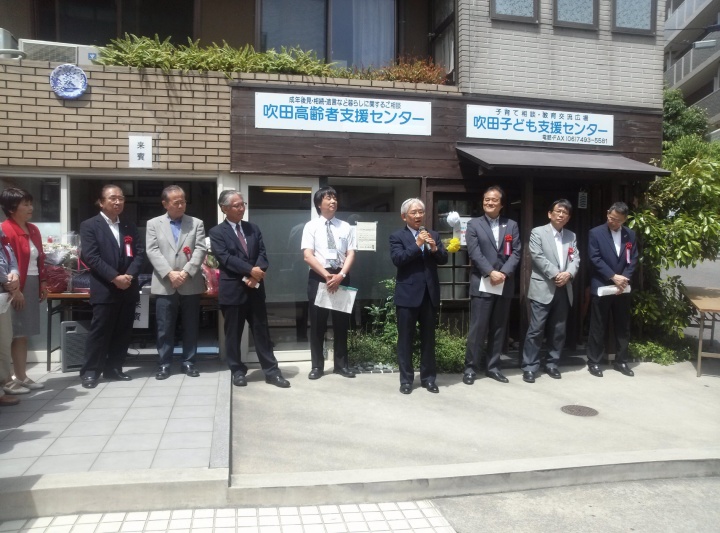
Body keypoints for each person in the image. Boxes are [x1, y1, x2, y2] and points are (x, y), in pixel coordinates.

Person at [208, 190, 290, 388]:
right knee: (233, 334)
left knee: (262, 332)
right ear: (224, 208)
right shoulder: (217, 232)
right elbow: (225, 258)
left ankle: (271, 372)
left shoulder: (253, 228)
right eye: (236, 205)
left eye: (242, 204)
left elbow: (262, 253)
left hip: (255, 289)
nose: (241, 208)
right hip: (233, 290)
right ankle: (237, 371)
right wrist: (250, 271)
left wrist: (256, 274)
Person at [78, 185, 145, 389]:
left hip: (128, 286)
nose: (118, 202)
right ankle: (91, 371)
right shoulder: (90, 225)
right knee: (100, 330)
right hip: (105, 287)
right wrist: (115, 277)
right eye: (113, 198)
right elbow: (91, 256)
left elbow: (139, 253)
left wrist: (129, 275)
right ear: (101, 202)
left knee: (123, 330)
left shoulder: (128, 225)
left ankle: (114, 368)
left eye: (121, 198)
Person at [146, 185, 207, 380]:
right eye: (176, 202)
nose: (181, 205)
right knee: (164, 326)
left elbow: (200, 249)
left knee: (191, 325)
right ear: (165, 204)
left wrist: (186, 272)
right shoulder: (153, 224)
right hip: (165, 282)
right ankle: (164, 363)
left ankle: (189, 362)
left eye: (183, 202)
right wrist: (169, 273)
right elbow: (152, 250)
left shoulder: (196, 223)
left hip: (190, 281)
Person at [389, 198, 448, 395]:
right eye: (413, 212)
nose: (418, 216)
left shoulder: (434, 235)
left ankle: (428, 379)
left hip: (429, 294)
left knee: (428, 339)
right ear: (404, 216)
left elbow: (443, 259)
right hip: (407, 295)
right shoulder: (397, 236)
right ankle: (406, 380)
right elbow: (398, 259)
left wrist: (434, 249)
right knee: (405, 339)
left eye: (420, 212)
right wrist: (418, 244)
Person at [464, 185, 521, 385]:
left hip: (504, 283)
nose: (489, 202)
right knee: (478, 328)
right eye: (486, 199)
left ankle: (493, 367)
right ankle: (471, 368)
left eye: (494, 200)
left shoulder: (511, 225)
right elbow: (474, 252)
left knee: (499, 327)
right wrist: (490, 272)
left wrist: (503, 273)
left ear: (501, 204)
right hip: (483, 282)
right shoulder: (474, 224)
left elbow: (516, 252)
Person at [521, 199, 580, 383]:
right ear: (550, 214)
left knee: (558, 330)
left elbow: (575, 259)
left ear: (568, 218)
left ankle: (552, 364)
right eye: (558, 211)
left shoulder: (571, 236)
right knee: (536, 329)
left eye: (565, 213)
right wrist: (556, 274)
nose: (561, 215)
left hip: (564, 288)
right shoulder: (538, 232)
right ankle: (530, 366)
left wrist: (568, 274)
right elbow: (537, 256)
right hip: (543, 287)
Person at [301, 186, 357, 380]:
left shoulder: (346, 227)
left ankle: (341, 365)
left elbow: (351, 253)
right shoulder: (311, 226)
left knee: (341, 324)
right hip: (319, 277)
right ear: (319, 204)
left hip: (341, 276)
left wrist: (341, 275)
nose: (333, 201)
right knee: (318, 324)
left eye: (334, 198)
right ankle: (317, 366)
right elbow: (308, 256)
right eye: (328, 198)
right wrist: (326, 275)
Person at [0, 188, 48, 393]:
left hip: (32, 282)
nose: (31, 208)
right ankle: (7, 379)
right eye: (25, 204)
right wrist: (16, 290)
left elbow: (40, 258)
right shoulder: (5, 229)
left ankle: (21, 376)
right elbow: (8, 263)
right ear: (12, 208)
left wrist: (43, 282)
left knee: (23, 333)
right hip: (12, 286)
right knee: (9, 334)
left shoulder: (33, 229)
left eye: (31, 203)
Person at [586, 201, 638, 378]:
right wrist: (613, 276)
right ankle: (594, 361)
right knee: (598, 325)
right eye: (611, 217)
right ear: (608, 212)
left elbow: (633, 259)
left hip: (622, 287)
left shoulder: (630, 234)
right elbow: (595, 258)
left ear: (624, 219)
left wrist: (623, 279)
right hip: (602, 284)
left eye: (617, 220)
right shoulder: (595, 233)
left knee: (623, 325)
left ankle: (621, 361)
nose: (613, 221)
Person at [0, 227, 21, 405]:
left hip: (3, 298)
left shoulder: (2, 235)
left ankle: (1, 388)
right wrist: (4, 280)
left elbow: (11, 260)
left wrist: (14, 275)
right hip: (3, 286)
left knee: (4, 342)